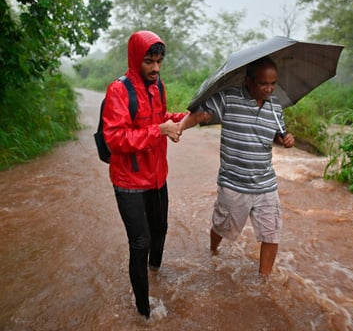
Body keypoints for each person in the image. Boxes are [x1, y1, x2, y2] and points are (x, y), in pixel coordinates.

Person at [102, 30, 208, 319]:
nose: (155, 68)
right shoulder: (118, 91)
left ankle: (155, 274)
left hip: (157, 176)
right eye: (149, 61)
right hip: (129, 181)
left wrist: (188, 119)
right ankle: (143, 310)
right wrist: (159, 131)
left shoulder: (157, 86)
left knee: (160, 228)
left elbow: (161, 118)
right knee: (140, 242)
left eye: (159, 61)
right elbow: (115, 139)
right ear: (136, 58)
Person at [200, 56, 295, 277]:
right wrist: (182, 125)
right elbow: (201, 114)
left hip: (265, 183)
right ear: (249, 80)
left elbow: (277, 134)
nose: (269, 89)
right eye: (263, 83)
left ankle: (264, 281)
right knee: (222, 227)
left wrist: (286, 139)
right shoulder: (229, 98)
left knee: (271, 233)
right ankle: (213, 250)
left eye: (273, 83)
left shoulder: (275, 107)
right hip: (234, 182)